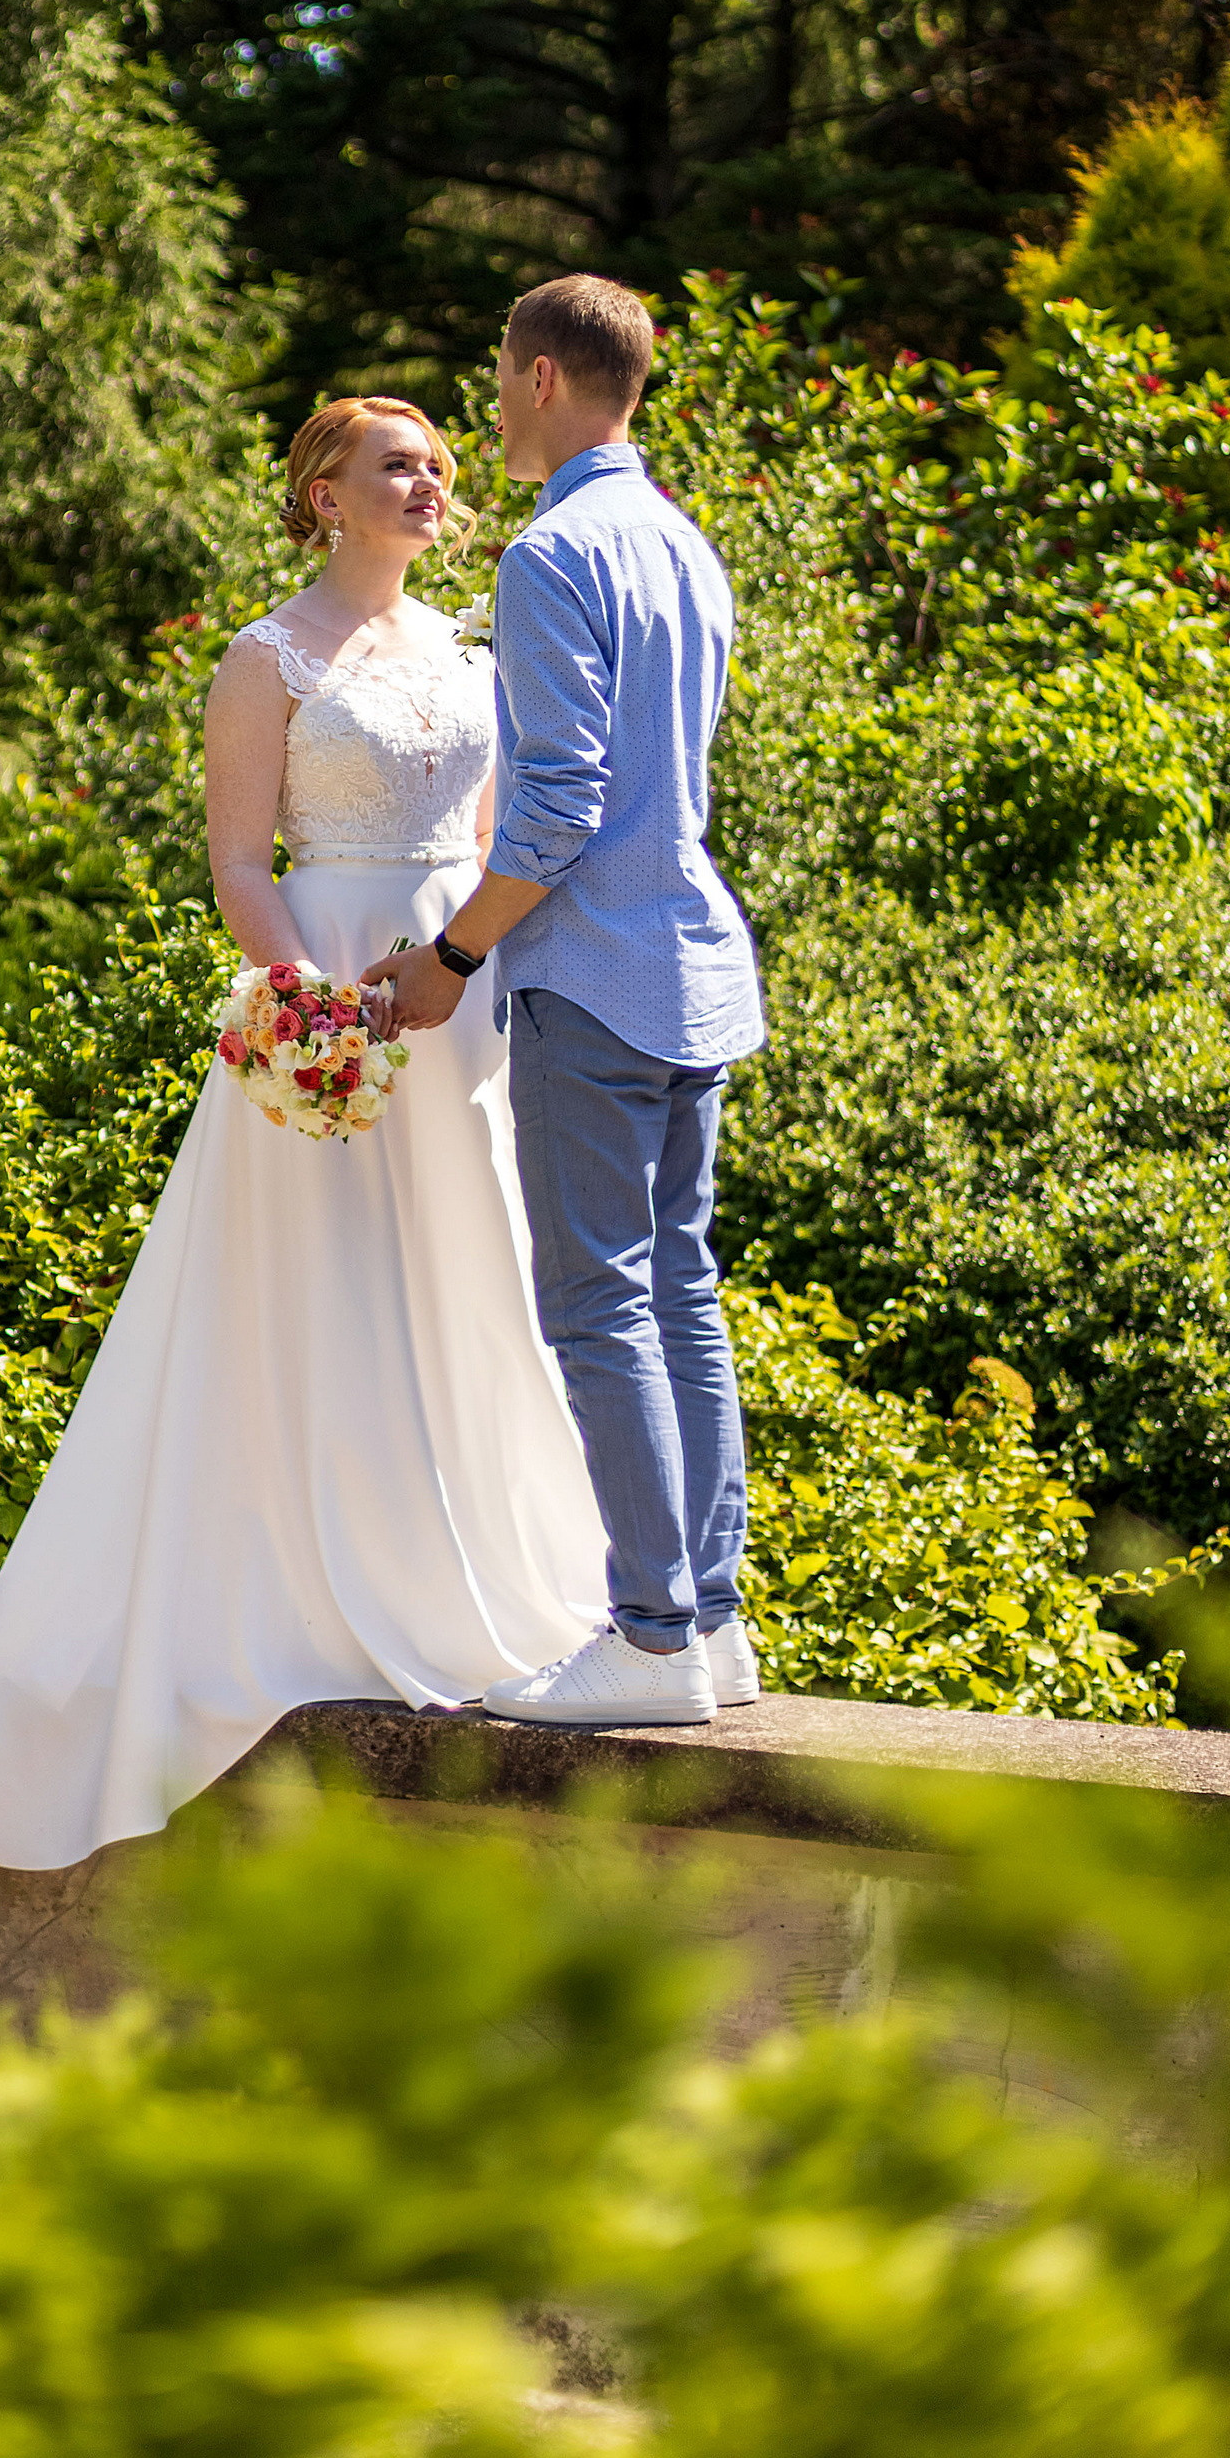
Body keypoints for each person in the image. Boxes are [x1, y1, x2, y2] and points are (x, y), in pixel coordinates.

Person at [0, 389, 614, 1868]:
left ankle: (475, 1580)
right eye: (401, 464)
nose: (433, 481)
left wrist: (457, 979)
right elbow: (239, 861)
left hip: (458, 997)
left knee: (474, 1282)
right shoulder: (266, 659)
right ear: (324, 491)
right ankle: (299, 1582)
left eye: (443, 464)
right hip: (329, 994)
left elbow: (499, 834)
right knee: (313, 1294)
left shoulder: (473, 646)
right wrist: (317, 1008)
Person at [366, 274, 765, 1730]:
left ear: (540, 379)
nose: (488, 404)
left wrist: (452, 959)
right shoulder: (683, 543)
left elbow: (554, 810)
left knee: (602, 1304)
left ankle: (653, 1636)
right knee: (682, 1293)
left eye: (495, 377)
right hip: (697, 967)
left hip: (594, 979)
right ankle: (710, 1626)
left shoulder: (550, 557)